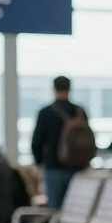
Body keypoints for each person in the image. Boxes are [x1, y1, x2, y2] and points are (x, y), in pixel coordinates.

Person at [31, 76, 89, 211]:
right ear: (70, 88)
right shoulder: (79, 112)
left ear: (53, 88)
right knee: (76, 207)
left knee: (54, 207)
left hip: (54, 166)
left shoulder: (46, 113)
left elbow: (37, 141)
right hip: (78, 167)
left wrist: (38, 162)